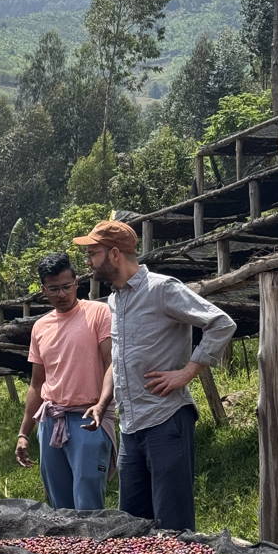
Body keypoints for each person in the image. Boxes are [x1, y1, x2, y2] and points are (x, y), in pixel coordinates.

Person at [73, 219, 236, 532]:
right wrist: (103, 402)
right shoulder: (115, 301)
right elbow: (119, 361)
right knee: (132, 525)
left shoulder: (162, 289)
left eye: (93, 253)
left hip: (166, 421)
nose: (88, 261)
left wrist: (187, 372)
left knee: (172, 525)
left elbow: (221, 324)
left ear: (115, 254)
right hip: (130, 428)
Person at [15, 252, 115, 510]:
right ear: (43, 289)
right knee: (59, 504)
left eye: (66, 287)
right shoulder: (40, 327)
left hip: (88, 418)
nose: (61, 294)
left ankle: (94, 549)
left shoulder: (98, 313)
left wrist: (102, 406)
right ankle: (65, 550)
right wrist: (24, 433)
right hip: (51, 420)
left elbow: (111, 363)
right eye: (54, 289)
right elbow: (37, 383)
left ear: (76, 282)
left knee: (88, 499)